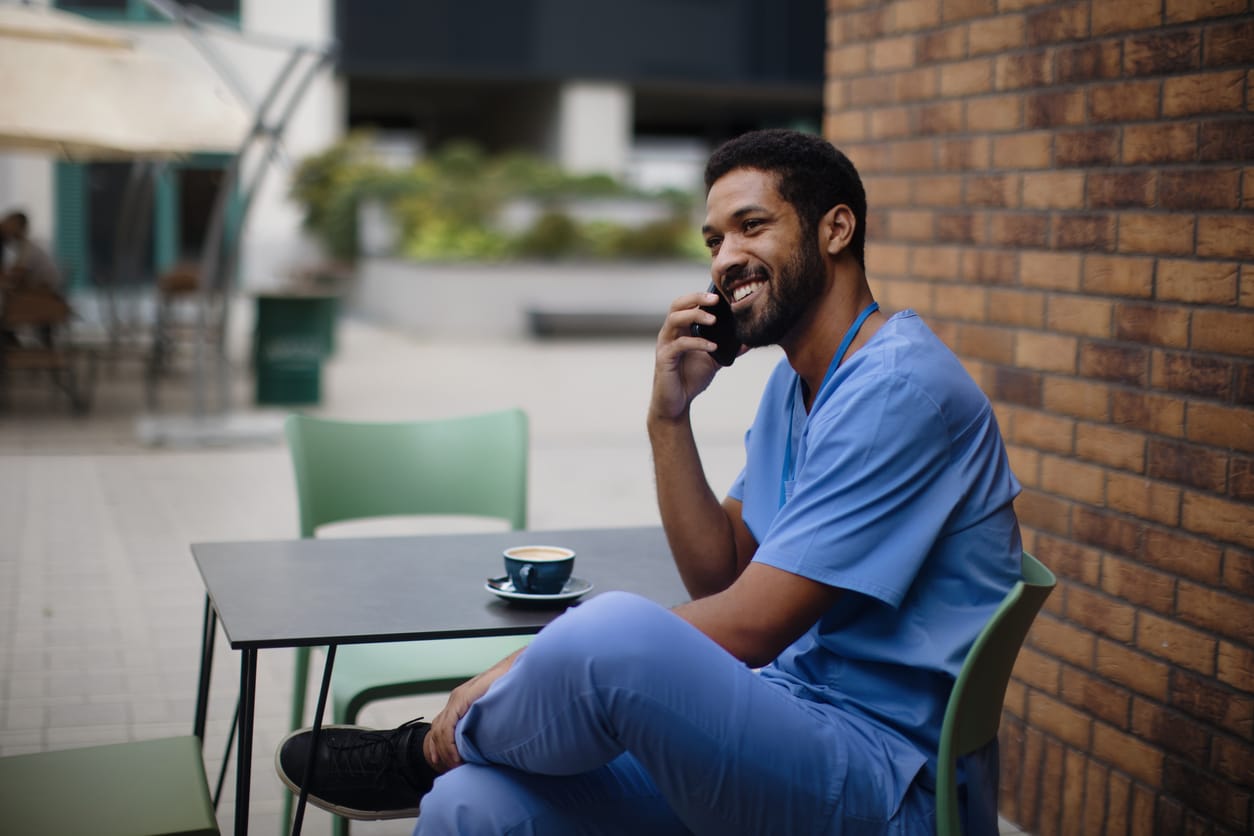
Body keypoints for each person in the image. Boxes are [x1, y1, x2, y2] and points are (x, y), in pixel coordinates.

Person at [275, 129, 1023, 835]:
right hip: (789, 720)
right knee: (474, 806)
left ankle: (423, 751)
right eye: (714, 240)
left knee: (610, 633)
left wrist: (523, 664)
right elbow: (720, 574)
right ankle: (453, 759)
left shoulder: (898, 389)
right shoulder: (797, 385)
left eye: (752, 226)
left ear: (836, 230)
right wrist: (669, 417)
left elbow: (751, 626)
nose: (725, 258)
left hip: (887, 778)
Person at [0, 211, 62, 292]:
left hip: (47, 289)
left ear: (19, 227)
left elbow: (17, 275)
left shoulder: (27, 247)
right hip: (43, 287)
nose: (5, 226)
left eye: (9, 223)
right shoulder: (19, 247)